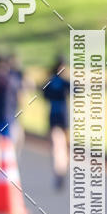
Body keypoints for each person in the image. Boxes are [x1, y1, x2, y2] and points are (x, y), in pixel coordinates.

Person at [43, 56, 70, 190]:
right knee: (62, 146)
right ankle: (61, 169)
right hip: (62, 116)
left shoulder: (50, 81)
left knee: (57, 146)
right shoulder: (63, 82)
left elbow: (43, 93)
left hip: (53, 115)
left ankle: (59, 170)